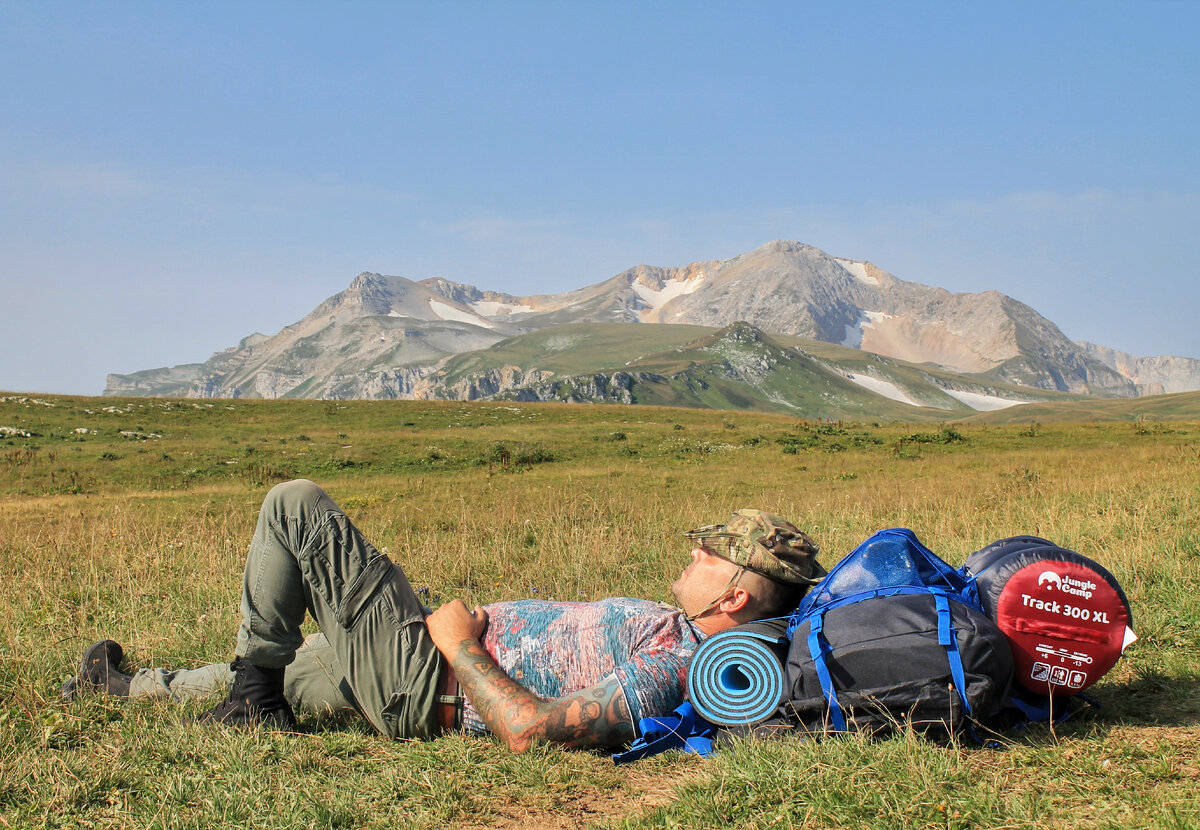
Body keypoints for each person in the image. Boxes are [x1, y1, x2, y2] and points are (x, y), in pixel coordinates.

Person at [64, 479, 824, 752]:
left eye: (708, 556)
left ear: (735, 597)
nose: (691, 555)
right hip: (417, 663)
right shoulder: (687, 635)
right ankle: (129, 688)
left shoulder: (684, 663)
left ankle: (252, 705)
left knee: (293, 506)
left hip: (430, 679)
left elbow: (530, 732)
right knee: (305, 671)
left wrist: (459, 645)